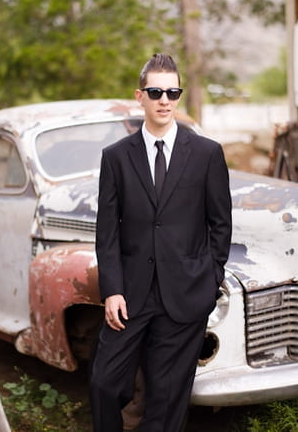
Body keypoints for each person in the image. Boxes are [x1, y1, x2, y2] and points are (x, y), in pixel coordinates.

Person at [90, 53, 232, 431]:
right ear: (140, 96)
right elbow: (107, 232)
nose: (164, 100)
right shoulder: (116, 158)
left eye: (172, 92)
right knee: (104, 382)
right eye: (156, 92)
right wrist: (112, 290)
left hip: (186, 293)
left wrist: (210, 277)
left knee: (167, 400)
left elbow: (221, 223)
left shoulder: (206, 154)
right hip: (131, 295)